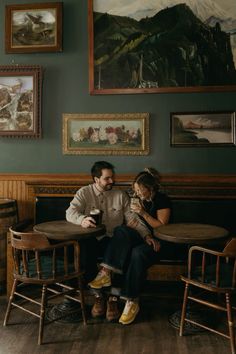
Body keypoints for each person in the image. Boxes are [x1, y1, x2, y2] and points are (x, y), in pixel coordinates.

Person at [66, 161, 152, 322]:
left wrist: (147, 235)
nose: (112, 181)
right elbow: (70, 212)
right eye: (107, 178)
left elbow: (133, 220)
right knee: (84, 248)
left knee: (123, 242)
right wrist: (82, 219)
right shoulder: (84, 193)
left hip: (115, 241)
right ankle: (98, 296)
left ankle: (113, 298)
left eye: (112, 177)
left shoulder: (120, 195)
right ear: (96, 179)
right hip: (92, 240)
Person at [88, 167, 171, 325]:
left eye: (140, 190)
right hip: (143, 237)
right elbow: (133, 221)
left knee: (136, 253)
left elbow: (162, 227)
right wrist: (143, 232)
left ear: (150, 188)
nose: (137, 193)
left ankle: (131, 300)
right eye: (135, 190)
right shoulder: (136, 199)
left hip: (160, 241)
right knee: (122, 230)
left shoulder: (162, 200)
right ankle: (106, 272)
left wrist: (143, 213)